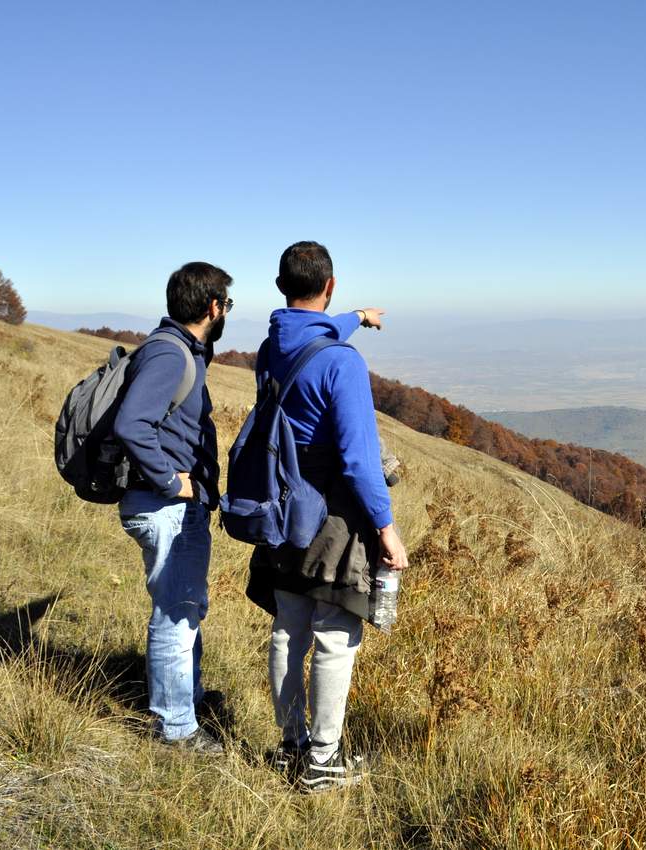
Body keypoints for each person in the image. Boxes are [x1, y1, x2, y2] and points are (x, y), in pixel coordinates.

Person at [244, 240, 408, 792]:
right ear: (330, 284)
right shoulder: (342, 363)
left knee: (287, 629)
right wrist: (386, 530)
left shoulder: (271, 348)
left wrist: (356, 318)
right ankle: (322, 762)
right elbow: (360, 460)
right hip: (333, 516)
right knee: (335, 635)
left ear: (280, 286)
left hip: (281, 506)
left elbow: (311, 331)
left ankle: (291, 745)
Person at [113, 261, 232, 754]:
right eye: (226, 303)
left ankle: (188, 697)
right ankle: (175, 728)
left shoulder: (178, 349)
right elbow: (131, 424)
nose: (226, 311)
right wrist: (170, 481)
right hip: (164, 505)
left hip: (169, 505)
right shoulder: (170, 355)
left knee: (184, 605)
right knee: (176, 613)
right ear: (212, 307)